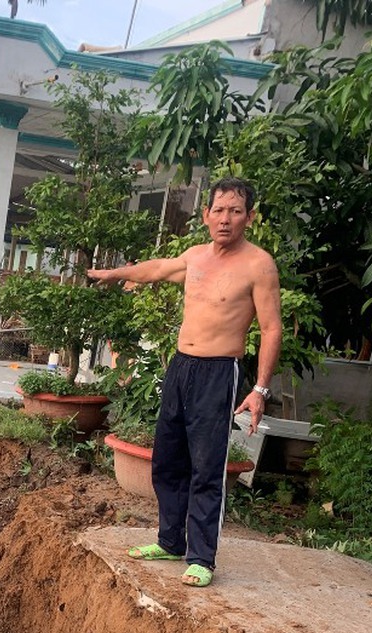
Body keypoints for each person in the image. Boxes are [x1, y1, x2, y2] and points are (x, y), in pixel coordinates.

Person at [87, 177, 282, 587]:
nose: (225, 219)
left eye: (235, 211)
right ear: (207, 214)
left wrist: (259, 389)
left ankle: (202, 557)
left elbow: (270, 328)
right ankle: (171, 540)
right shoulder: (195, 256)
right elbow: (157, 268)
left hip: (218, 372)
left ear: (249, 216)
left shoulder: (258, 264)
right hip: (181, 367)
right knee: (168, 459)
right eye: (219, 210)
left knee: (207, 466)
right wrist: (117, 273)